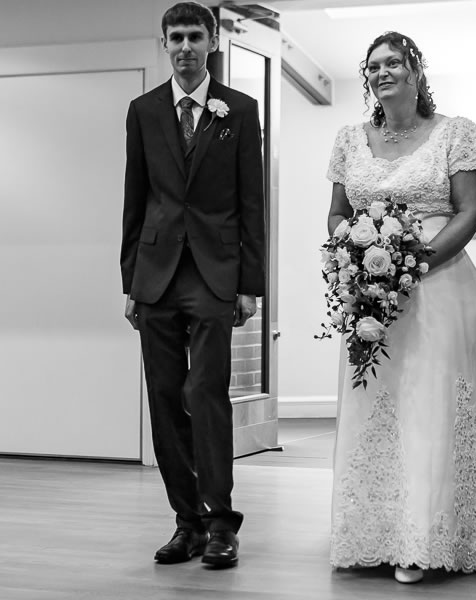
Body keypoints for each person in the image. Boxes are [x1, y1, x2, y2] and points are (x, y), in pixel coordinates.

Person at [325, 32, 476, 584]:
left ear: (416, 71)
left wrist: (412, 262)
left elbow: (470, 212)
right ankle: (375, 533)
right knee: (376, 404)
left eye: (394, 62)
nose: (382, 72)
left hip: (440, 288)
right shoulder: (349, 140)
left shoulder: (454, 132)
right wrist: (357, 257)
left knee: (431, 406)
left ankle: (427, 537)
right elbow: (337, 213)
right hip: (372, 295)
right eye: (373, 66)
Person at [120, 1, 266, 568]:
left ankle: (220, 522)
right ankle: (186, 523)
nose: (185, 47)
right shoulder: (143, 110)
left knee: (204, 394)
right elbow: (135, 199)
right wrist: (131, 280)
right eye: (176, 37)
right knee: (163, 400)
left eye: (195, 37)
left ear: (212, 42)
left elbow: (251, 203)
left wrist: (250, 284)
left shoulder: (241, 110)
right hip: (155, 276)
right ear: (165, 43)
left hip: (214, 273)